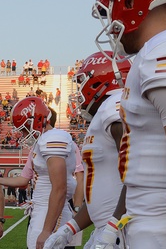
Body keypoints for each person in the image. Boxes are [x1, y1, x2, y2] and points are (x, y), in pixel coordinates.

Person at [91, 0, 166, 248]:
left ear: (130, 2)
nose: (108, 24)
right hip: (149, 226)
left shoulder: (163, 51)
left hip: (161, 233)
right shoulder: (156, 52)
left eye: (109, 10)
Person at [43, 52, 131, 249]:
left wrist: (113, 226)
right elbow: (100, 196)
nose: (80, 89)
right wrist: (70, 227)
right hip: (110, 228)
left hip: (122, 231)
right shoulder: (104, 113)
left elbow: (136, 173)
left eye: (83, 81)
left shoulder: (113, 108)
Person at [0, 97, 81, 249]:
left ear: (36, 120)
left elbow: (60, 188)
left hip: (50, 211)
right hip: (42, 209)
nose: (23, 134)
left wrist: (46, 230)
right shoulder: (44, 140)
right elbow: (24, 179)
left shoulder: (53, 138)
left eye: (24, 128)